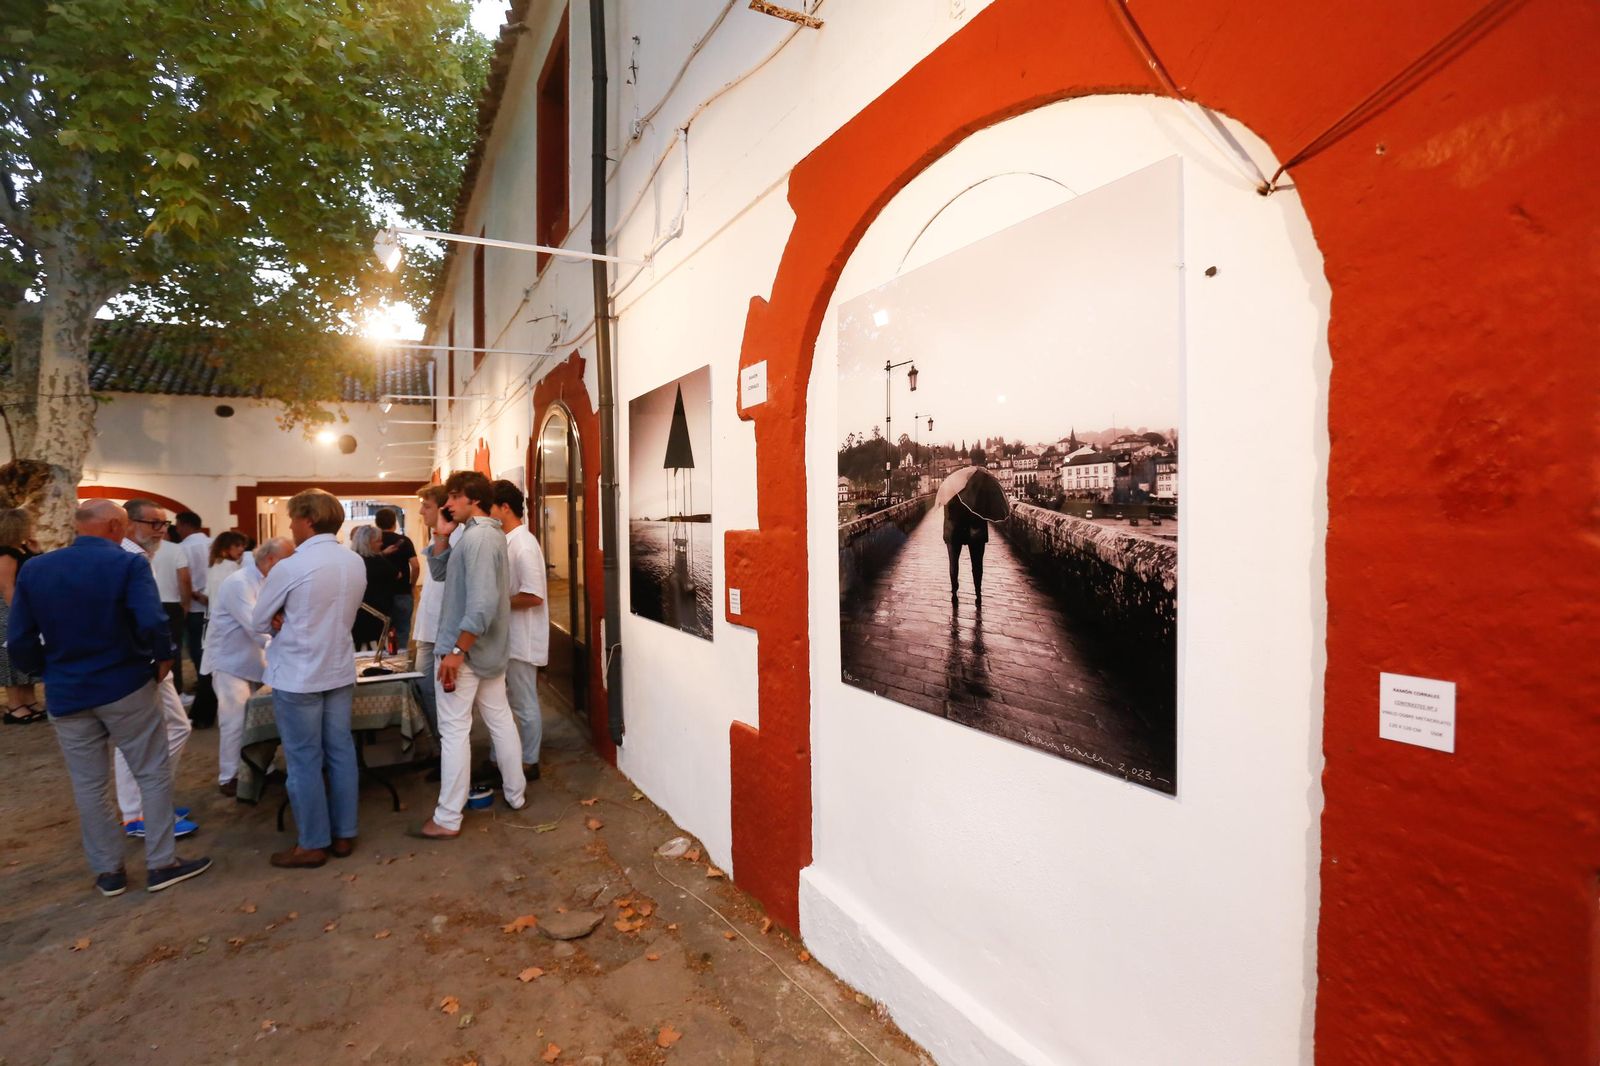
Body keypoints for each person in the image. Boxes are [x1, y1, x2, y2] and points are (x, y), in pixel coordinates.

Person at [8, 499, 210, 895]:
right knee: (151, 772)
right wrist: (162, 660)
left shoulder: (36, 568)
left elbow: (19, 637)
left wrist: (46, 671)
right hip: (124, 684)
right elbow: (151, 620)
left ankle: (109, 872)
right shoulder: (126, 563)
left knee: (89, 786)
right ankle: (161, 862)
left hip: (67, 690)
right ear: (117, 527)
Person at [251, 488, 365, 868]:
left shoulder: (291, 566)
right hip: (337, 666)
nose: (289, 525)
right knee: (340, 751)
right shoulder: (354, 561)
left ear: (308, 520)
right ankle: (345, 833)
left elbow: (258, 619)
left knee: (303, 758)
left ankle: (312, 842)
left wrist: (281, 615)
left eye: (292, 518)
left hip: (300, 672)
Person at [416, 471, 527, 839]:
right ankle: (516, 794)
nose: (446, 505)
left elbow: (480, 604)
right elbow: (442, 571)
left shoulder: (479, 538)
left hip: (464, 652)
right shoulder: (477, 534)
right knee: (499, 720)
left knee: (454, 731)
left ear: (472, 499)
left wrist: (456, 650)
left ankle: (448, 817)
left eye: (453, 497)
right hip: (485, 650)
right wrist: (442, 535)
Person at [116, 500, 198, 839]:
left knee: (177, 727)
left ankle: (152, 800)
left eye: (165, 524)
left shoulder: (143, 555)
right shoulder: (127, 557)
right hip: (140, 660)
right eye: (154, 524)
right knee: (135, 739)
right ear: (127, 523)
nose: (162, 531)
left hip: (148, 656)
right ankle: (137, 813)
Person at [205, 537, 293, 797]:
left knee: (260, 719)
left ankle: (262, 768)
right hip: (230, 661)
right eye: (287, 561)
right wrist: (286, 645)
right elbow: (257, 626)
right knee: (234, 721)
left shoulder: (268, 579)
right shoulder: (238, 583)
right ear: (270, 560)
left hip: (258, 660)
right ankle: (229, 776)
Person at [489, 480, 547, 782]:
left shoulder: (523, 545)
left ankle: (529, 761)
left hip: (522, 638)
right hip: (509, 637)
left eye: (491, 509)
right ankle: (506, 758)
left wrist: (496, 602)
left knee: (524, 703)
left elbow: (533, 595)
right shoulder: (509, 540)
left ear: (505, 508)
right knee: (510, 702)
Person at [410, 485, 458, 739]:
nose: (420, 511)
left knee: (440, 694)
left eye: (426, 506)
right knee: (425, 688)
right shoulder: (437, 536)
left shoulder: (454, 538)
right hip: (429, 629)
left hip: (442, 631)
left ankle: (448, 751)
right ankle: (442, 749)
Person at [940, 447, 1008, 603]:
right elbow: (987, 510)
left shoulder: (954, 483)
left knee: (953, 564)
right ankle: (978, 594)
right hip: (975, 529)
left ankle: (954, 592)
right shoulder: (982, 484)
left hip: (954, 529)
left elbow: (948, 511)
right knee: (977, 564)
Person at [0, 507, 42, 724]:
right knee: (12, 657)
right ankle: (15, 705)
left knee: (25, 654)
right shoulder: (6, 553)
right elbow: (7, 586)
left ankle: (28, 700)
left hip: (18, 606)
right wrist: (19, 614)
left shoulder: (20, 550)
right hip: (10, 609)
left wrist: (36, 552)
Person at [174, 511, 217, 727]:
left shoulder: (183, 548)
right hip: (212, 606)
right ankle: (209, 699)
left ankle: (205, 701)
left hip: (194, 607)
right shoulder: (213, 543)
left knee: (200, 658)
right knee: (208, 655)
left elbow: (184, 579)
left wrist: (188, 598)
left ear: (183, 525)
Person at [148, 523, 188, 691]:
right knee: (173, 648)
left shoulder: (133, 549)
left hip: (150, 601)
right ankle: (176, 689)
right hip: (171, 603)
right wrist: (185, 604)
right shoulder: (175, 549)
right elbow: (184, 579)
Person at [350, 525, 400, 650]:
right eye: (378, 541)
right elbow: (398, 574)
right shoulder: (378, 562)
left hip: (357, 615)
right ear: (368, 543)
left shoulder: (351, 560)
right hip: (377, 616)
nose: (381, 543)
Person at [373, 507, 417, 648]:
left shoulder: (373, 542)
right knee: (403, 631)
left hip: (379, 595)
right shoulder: (404, 541)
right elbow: (415, 566)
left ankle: (382, 664)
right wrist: (412, 584)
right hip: (402, 592)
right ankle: (402, 665)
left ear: (377, 523)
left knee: (380, 633)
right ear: (395, 523)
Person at [204, 532, 248, 617]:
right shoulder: (233, 567)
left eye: (243, 546)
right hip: (230, 617)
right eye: (237, 545)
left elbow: (207, 594)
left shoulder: (213, 567)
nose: (242, 549)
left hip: (214, 617)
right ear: (225, 548)